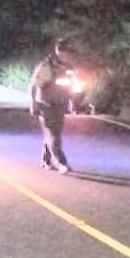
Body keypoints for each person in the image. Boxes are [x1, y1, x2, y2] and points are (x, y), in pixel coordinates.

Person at [30, 39, 75, 174]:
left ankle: (46, 159)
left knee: (55, 133)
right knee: (53, 134)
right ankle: (61, 162)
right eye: (65, 52)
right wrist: (33, 104)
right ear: (58, 51)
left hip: (60, 105)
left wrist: (71, 102)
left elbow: (69, 87)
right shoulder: (47, 66)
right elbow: (34, 86)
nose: (67, 55)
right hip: (45, 105)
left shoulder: (68, 68)